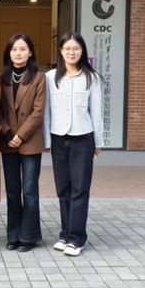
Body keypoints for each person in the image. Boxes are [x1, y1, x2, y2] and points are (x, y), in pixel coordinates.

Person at [44, 32, 103, 257]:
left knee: (80, 189)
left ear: (82, 51)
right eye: (67, 48)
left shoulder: (92, 78)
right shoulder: (50, 77)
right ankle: (65, 233)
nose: (72, 52)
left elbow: (96, 112)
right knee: (63, 189)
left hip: (83, 139)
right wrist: (47, 140)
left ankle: (77, 238)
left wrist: (97, 142)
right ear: (61, 51)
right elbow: (47, 112)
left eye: (76, 48)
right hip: (58, 138)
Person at [0, 33, 46, 253]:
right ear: (9, 53)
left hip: (30, 141)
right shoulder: (2, 77)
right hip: (7, 141)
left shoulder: (38, 77)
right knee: (12, 191)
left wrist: (20, 135)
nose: (18, 53)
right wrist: (8, 133)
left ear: (30, 52)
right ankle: (13, 235)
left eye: (22, 49)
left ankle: (29, 237)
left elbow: (38, 111)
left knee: (29, 191)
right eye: (14, 49)